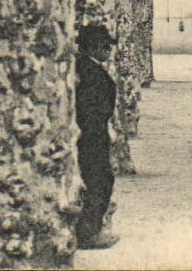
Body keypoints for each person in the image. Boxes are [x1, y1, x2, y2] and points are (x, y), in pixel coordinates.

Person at [75, 23, 119, 250]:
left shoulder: (83, 68)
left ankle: (89, 228)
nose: (109, 50)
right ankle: (89, 232)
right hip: (93, 136)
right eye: (105, 46)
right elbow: (92, 110)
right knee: (99, 181)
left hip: (89, 134)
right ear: (92, 47)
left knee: (96, 180)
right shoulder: (92, 74)